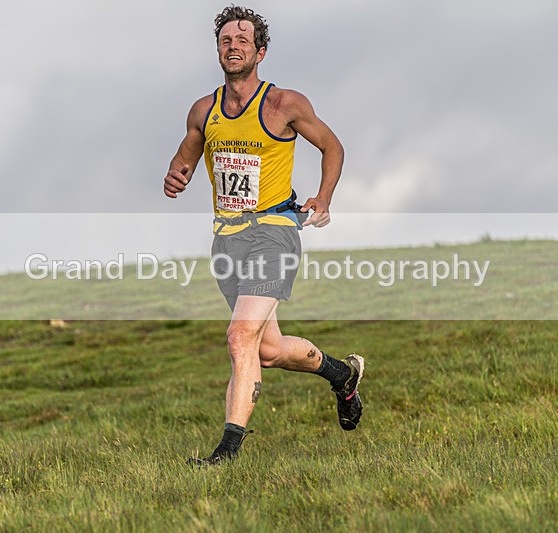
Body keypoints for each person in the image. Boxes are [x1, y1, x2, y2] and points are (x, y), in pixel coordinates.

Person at [163, 5, 364, 466]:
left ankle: (226, 453)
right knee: (268, 350)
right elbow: (184, 159)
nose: (233, 46)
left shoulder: (284, 104)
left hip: (273, 232)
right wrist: (176, 176)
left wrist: (323, 198)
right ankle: (341, 376)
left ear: (260, 51)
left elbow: (332, 146)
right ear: (218, 49)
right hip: (227, 240)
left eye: (242, 40)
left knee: (240, 337)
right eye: (225, 40)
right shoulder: (204, 110)